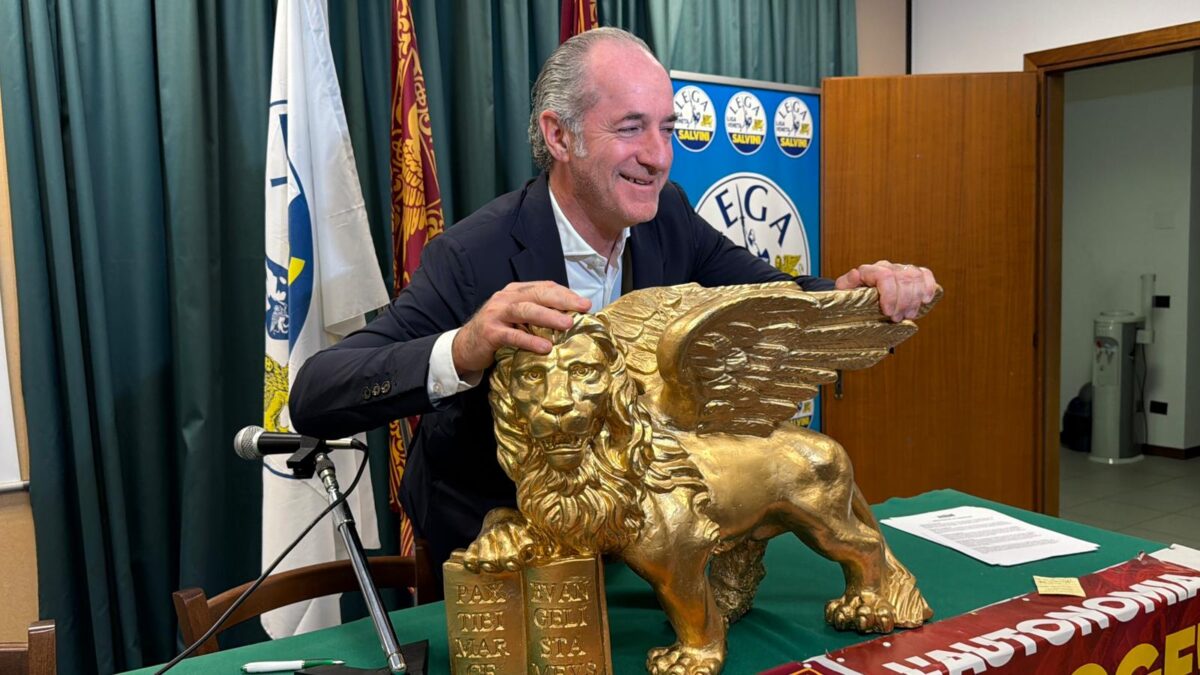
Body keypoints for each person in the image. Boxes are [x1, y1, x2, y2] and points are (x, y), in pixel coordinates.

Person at [290, 27, 938, 566]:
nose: (658, 156)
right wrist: (464, 348)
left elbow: (771, 295)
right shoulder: (472, 255)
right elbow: (317, 393)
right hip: (501, 551)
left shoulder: (668, 216)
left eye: (667, 128)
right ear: (559, 136)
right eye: (631, 128)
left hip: (638, 546)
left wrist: (849, 294)